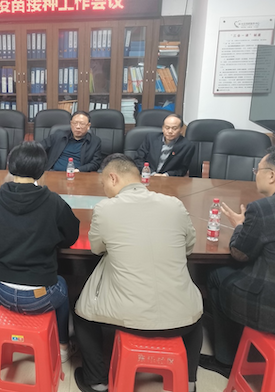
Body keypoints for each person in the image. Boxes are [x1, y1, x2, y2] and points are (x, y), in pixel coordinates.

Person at [73, 153, 203, 392]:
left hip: (127, 319)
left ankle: (97, 381)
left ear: (113, 178)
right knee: (195, 314)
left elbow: (96, 249)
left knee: (82, 314)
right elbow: (188, 247)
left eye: (104, 183)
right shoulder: (174, 204)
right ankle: (188, 381)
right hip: (182, 320)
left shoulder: (105, 208)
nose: (104, 190)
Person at [200, 145, 275, 378]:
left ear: (272, 175)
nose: (256, 174)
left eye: (258, 170)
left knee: (217, 275)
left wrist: (240, 226)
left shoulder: (262, 209)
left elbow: (240, 253)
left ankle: (225, 359)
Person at [0, 141, 80, 361]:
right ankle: (63, 346)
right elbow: (71, 236)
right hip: (41, 296)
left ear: (10, 166)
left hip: (1, 291)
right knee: (63, 285)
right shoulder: (53, 202)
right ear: (41, 170)